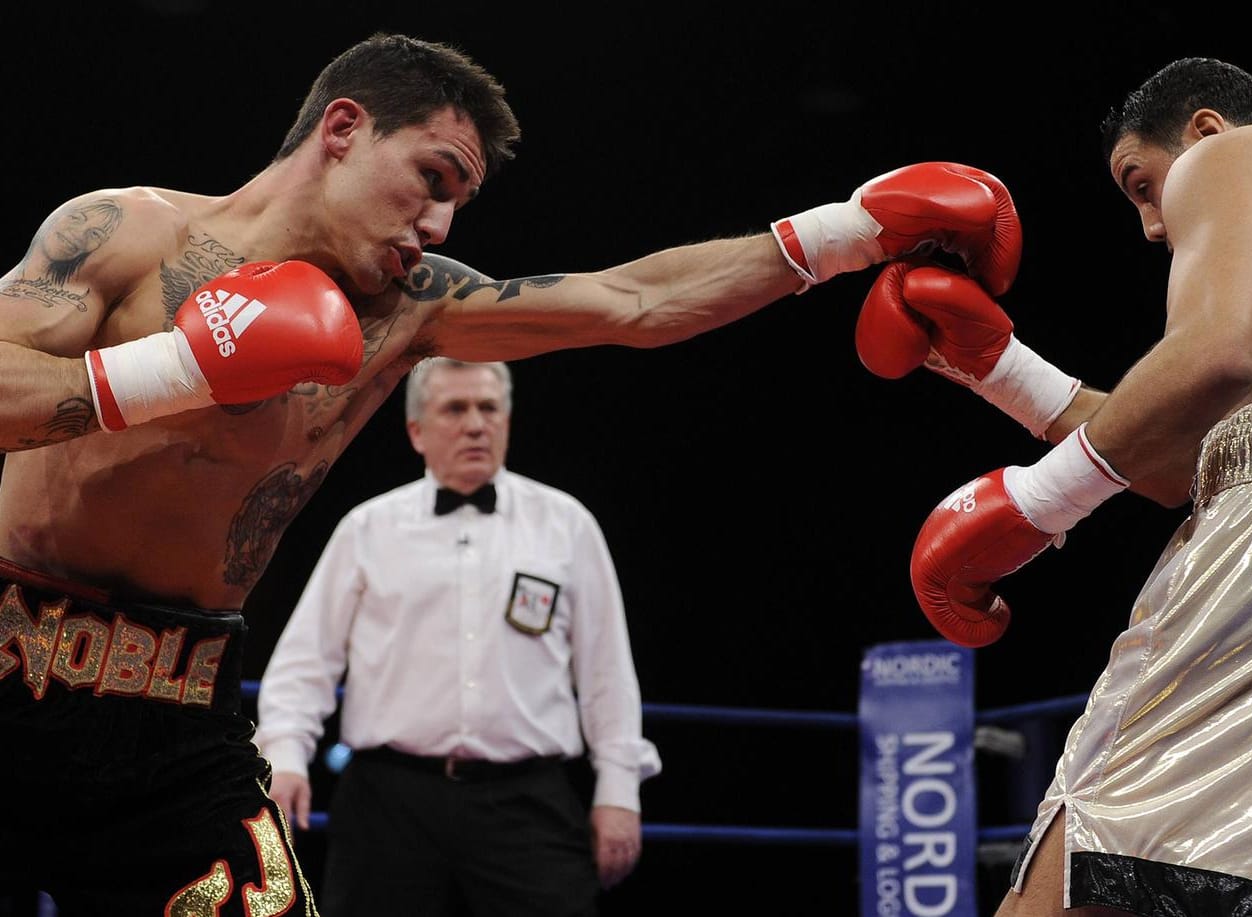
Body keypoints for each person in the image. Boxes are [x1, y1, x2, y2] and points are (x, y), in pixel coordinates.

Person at [0, 29, 1024, 915]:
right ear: (344, 127)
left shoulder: (409, 312)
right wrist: (180, 364)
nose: (439, 226)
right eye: (432, 178)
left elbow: (632, 303)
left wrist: (845, 233)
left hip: (180, 718)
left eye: (459, 201)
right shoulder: (127, 231)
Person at [861, 57, 1252, 915]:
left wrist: (1036, 503)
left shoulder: (1232, 156)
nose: (1149, 225)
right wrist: (1005, 371)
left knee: (1088, 862)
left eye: (1142, 183)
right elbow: (1200, 463)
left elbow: (1217, 357)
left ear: (1206, 128)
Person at [254, 357, 658, 916]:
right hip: (388, 803)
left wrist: (619, 789)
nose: (475, 424)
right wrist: (286, 757)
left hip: (526, 800)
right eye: (455, 409)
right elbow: (305, 663)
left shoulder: (566, 525)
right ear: (417, 431)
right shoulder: (368, 529)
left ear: (508, 422)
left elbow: (607, 673)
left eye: (488, 408)